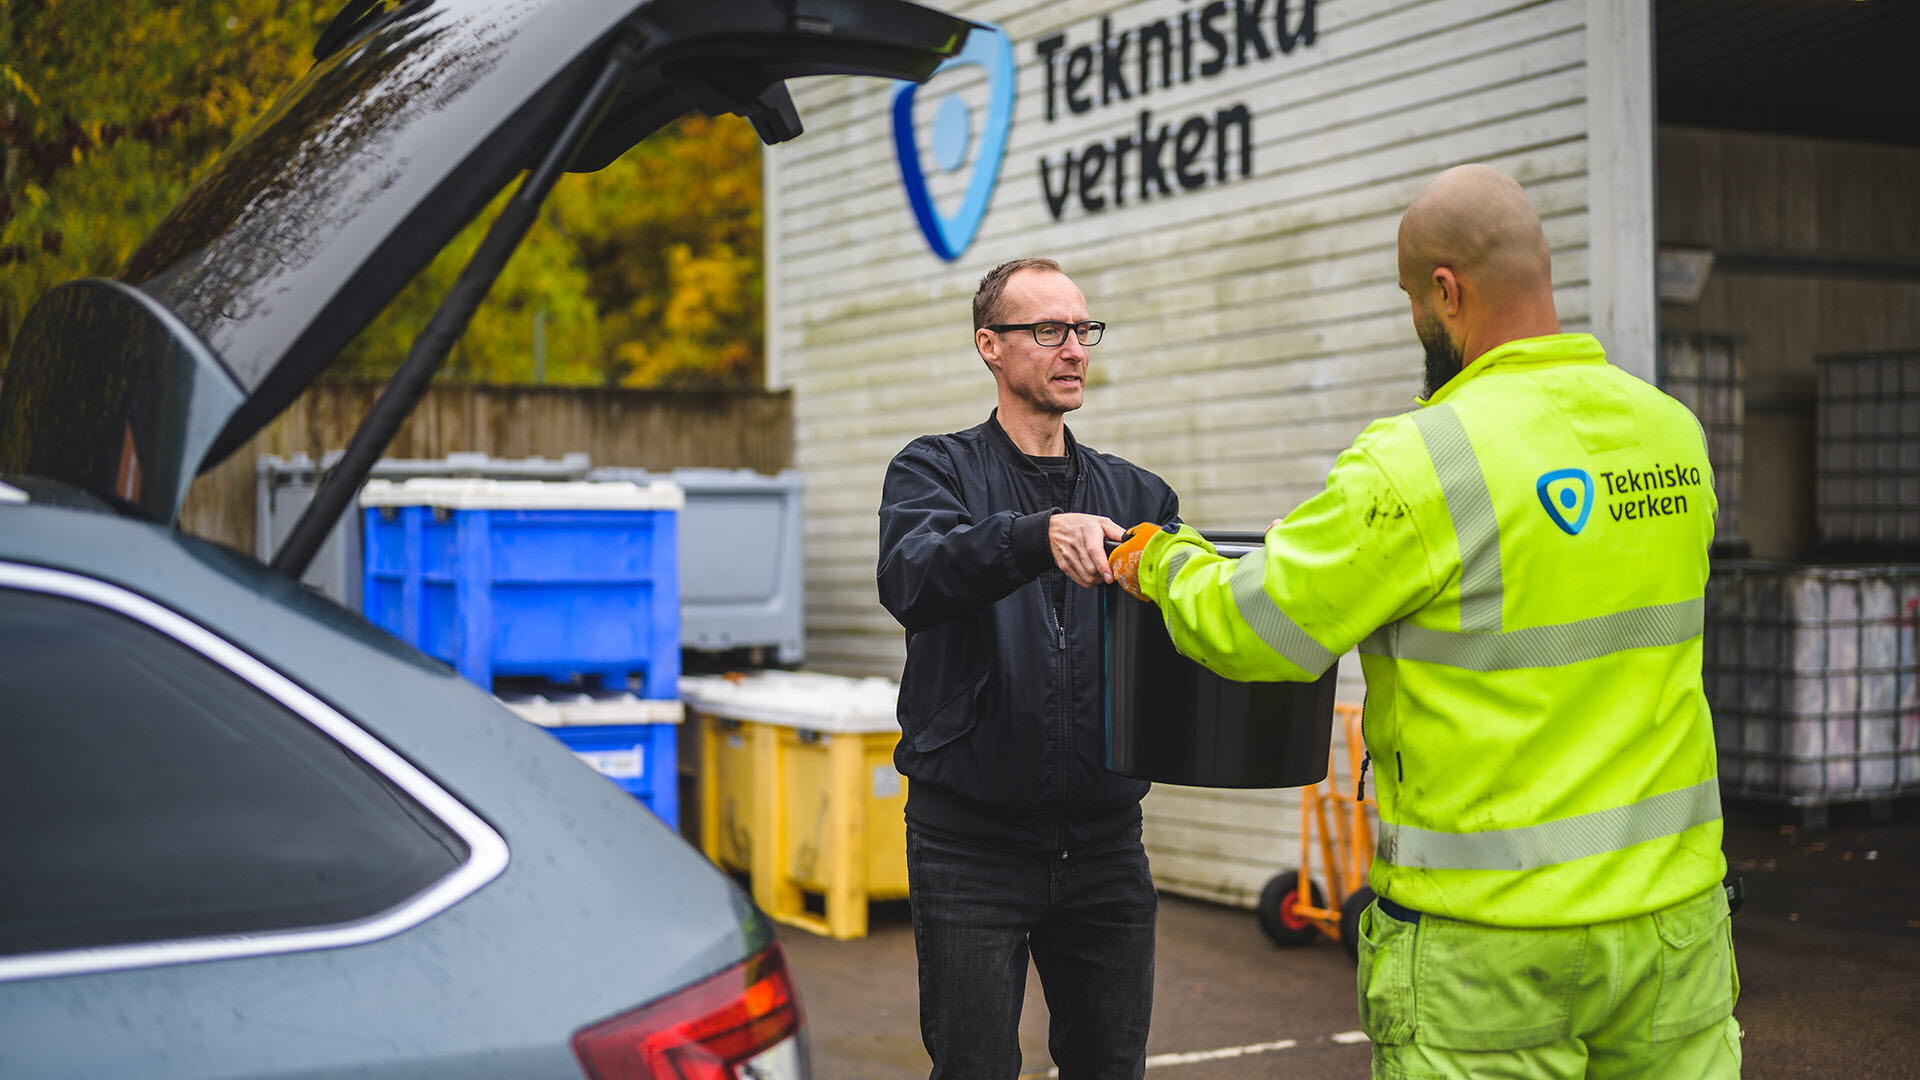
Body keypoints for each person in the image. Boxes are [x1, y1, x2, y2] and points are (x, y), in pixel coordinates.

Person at [1108, 165, 1739, 1079]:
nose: (1416, 320)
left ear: (1447, 291)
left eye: (1413, 299)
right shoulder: (1673, 435)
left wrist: (1159, 559)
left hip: (1491, 953)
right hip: (1677, 933)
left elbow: (1256, 627)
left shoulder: (1420, 463)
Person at [877, 257, 1179, 1079]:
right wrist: (1034, 535)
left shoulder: (1140, 495)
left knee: (1110, 1065)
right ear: (990, 346)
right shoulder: (932, 471)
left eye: (1083, 329)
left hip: (1107, 845)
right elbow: (913, 574)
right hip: (968, 848)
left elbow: (1187, 638)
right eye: (1048, 330)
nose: (1074, 347)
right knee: (974, 1067)